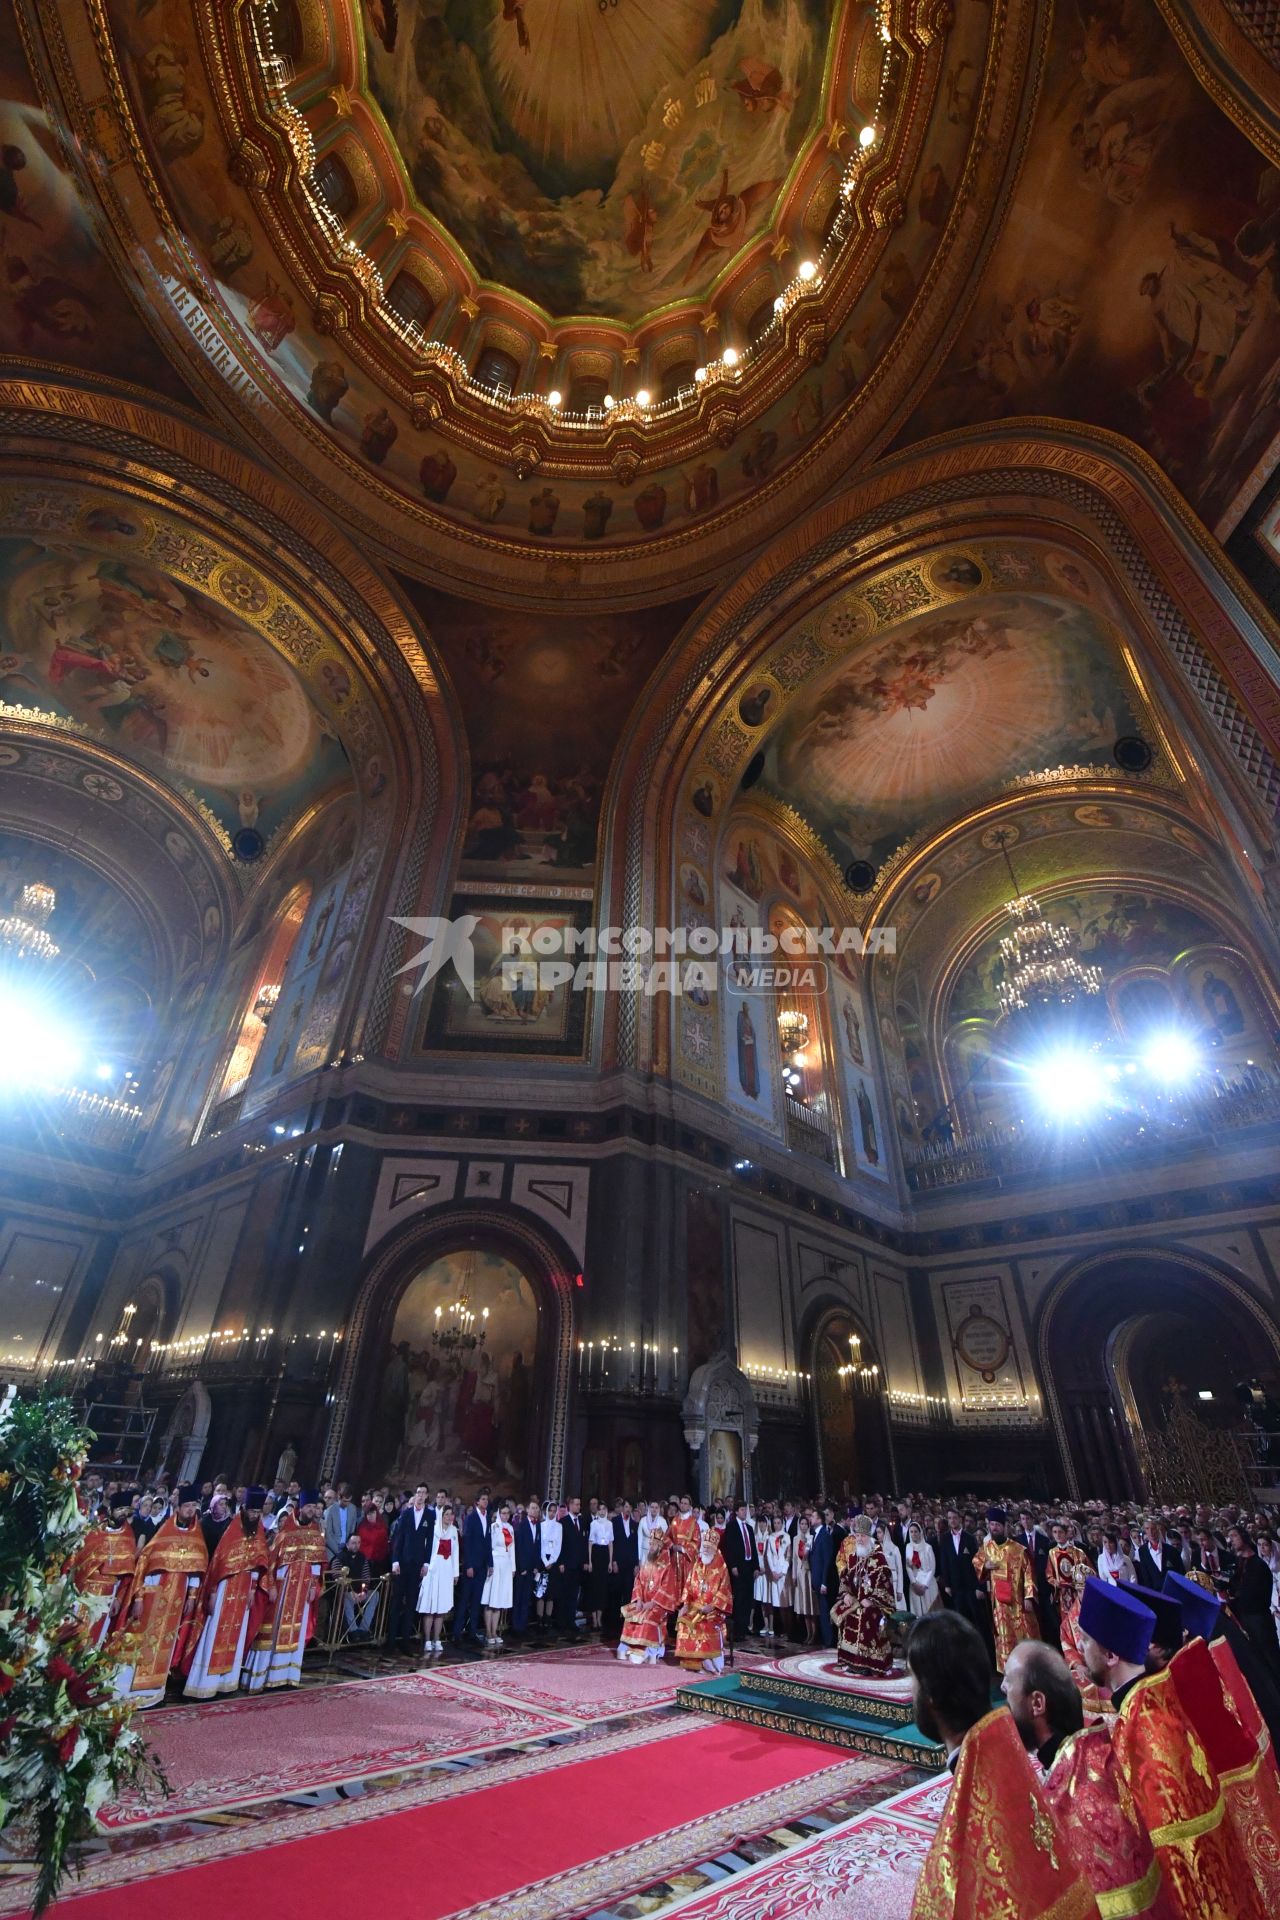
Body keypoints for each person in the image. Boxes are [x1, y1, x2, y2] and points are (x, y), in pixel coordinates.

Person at [1076, 1576, 1266, 1920]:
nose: (1078, 1645)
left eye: (1085, 1639)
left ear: (1111, 1654)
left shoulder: (1149, 1725)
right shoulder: (1146, 1703)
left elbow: (1185, 1854)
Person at [906, 1611, 1100, 1920]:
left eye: (912, 1680)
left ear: (930, 1697)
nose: (910, 1692)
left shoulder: (973, 1814)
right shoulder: (1010, 1766)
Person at [1004, 1640, 1171, 1919]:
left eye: (1008, 1682)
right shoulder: (1087, 1754)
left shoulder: (1079, 1796)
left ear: (1037, 1703)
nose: (1001, 1690)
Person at [108, 1486, 207, 1708]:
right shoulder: (164, 1532)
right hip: (155, 1598)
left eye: (194, 1506)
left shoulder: (196, 1535)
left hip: (177, 1599)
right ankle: (128, 1692)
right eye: (187, 1506)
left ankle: (154, 1691)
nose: (191, 1510)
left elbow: (197, 1568)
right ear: (178, 1508)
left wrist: (192, 1595)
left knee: (165, 1643)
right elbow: (146, 1565)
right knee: (141, 1642)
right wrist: (140, 1598)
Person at [183, 1488, 271, 1700]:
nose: (255, 1516)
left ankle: (226, 1682)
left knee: (236, 1635)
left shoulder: (258, 1532)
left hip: (243, 1592)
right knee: (214, 1633)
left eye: (258, 1513)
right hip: (224, 1589)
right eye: (252, 1512)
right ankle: (204, 1683)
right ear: (243, 1509)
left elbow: (259, 1564)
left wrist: (252, 1590)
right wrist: (212, 1592)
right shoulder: (231, 1532)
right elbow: (218, 1565)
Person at [242, 1499, 325, 1690]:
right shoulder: (286, 1532)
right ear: (301, 1508)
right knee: (273, 1630)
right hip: (283, 1589)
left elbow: (316, 1564)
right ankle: (265, 1675)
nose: (312, 1510)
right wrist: (271, 1587)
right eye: (309, 1506)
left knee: (296, 1630)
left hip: (302, 1591)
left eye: (314, 1507)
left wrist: (313, 1586)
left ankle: (288, 1676)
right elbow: (272, 1563)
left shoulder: (315, 1534)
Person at [973, 1506, 1038, 1674]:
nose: (994, 1527)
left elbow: (1029, 1573)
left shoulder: (1018, 1549)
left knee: (1024, 1634)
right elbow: (976, 1562)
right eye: (992, 1524)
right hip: (1000, 1604)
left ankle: (1029, 1670)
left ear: (1004, 1527)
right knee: (1004, 1637)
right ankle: (1008, 1673)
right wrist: (985, 1566)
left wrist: (1029, 1597)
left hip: (1019, 1602)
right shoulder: (987, 1548)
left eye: (997, 1525)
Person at [72, 1488, 138, 1649]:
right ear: (110, 1510)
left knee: (94, 1635)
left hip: (108, 1593)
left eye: (126, 1510)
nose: (123, 1513)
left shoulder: (128, 1537)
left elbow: (127, 1576)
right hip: (84, 1587)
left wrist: (118, 1599)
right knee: (73, 1630)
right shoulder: (94, 1530)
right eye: (120, 1509)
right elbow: (78, 1557)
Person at [831, 1516, 896, 1675]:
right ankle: (851, 1662)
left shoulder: (878, 1557)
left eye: (863, 1536)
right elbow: (845, 1578)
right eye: (857, 1535)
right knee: (844, 1613)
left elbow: (886, 1584)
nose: (859, 1539)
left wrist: (872, 1600)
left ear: (869, 1536)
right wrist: (845, 1594)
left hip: (873, 1604)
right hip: (854, 1601)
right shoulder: (853, 1556)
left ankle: (870, 1663)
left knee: (868, 1616)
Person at [675, 1529, 732, 1673]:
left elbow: (724, 1592)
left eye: (708, 1547)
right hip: (695, 1607)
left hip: (713, 1611)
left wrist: (711, 1607)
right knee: (684, 1621)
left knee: (702, 1624)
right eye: (704, 1546)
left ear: (714, 1548)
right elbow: (688, 1586)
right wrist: (686, 1604)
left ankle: (706, 1661)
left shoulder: (721, 1568)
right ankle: (692, 1662)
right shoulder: (697, 1564)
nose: (705, 1550)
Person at [618, 1533, 679, 1663]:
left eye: (653, 1544)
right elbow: (638, 1581)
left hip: (658, 1605)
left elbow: (667, 1589)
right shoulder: (647, 1562)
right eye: (650, 1544)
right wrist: (639, 1599)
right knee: (630, 1615)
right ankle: (629, 1648)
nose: (650, 1547)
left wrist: (652, 1603)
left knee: (647, 1619)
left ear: (660, 1546)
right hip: (643, 1602)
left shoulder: (667, 1566)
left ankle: (648, 1651)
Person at [389, 1484, 435, 1652]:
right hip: (402, 1563)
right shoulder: (406, 1513)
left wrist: (426, 1563)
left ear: (427, 1496)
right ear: (415, 1495)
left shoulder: (430, 1515)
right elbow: (398, 1538)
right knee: (396, 1602)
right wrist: (395, 1561)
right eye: (418, 1493)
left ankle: (405, 1641)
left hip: (417, 1564)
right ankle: (391, 1641)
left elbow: (430, 1541)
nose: (420, 1495)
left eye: (423, 1493)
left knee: (411, 1603)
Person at [1047, 1518, 1092, 1686]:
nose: (1058, 1535)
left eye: (1061, 1532)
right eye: (1055, 1532)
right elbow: (1049, 1575)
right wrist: (1078, 1664)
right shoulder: (1052, 1553)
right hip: (1064, 1597)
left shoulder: (1078, 1553)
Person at [418, 1502, 459, 1652]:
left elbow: (456, 1553)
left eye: (451, 1514)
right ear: (441, 1516)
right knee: (430, 1607)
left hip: (446, 1571)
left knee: (441, 1608)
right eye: (446, 1514)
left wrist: (455, 1574)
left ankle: (437, 1638)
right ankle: (427, 1639)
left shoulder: (454, 1531)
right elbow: (427, 1548)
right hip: (433, 1571)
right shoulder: (434, 1529)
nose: (449, 1517)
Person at [453, 1493, 492, 1645]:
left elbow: (488, 1542)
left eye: (487, 1499)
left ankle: (472, 1632)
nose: (486, 1501)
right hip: (471, 1566)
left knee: (477, 1601)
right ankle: (456, 1633)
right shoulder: (471, 1518)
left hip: (482, 1566)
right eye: (483, 1499)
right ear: (477, 1502)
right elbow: (467, 1542)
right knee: (464, 1601)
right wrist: (468, 1565)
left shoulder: (487, 1518)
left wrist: (490, 1563)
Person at [720, 1499, 760, 1643]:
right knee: (739, 1598)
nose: (744, 1512)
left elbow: (753, 1548)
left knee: (748, 1599)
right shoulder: (731, 1527)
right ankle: (735, 1631)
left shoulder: (749, 1528)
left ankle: (743, 1629)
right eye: (742, 1510)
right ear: (736, 1511)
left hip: (749, 1566)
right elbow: (730, 1548)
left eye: (745, 1510)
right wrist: (733, 1565)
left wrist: (756, 1566)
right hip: (738, 1566)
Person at [936, 1507, 979, 1625]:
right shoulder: (944, 1538)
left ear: (960, 1519)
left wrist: (977, 1586)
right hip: (955, 1586)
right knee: (960, 1617)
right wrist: (947, 1585)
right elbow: (944, 1562)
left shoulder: (969, 1538)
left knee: (975, 1616)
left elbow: (977, 1562)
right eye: (950, 1518)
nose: (952, 1520)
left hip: (970, 1585)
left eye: (955, 1518)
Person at [482, 1499, 516, 1647]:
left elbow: (512, 1549)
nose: (506, 1516)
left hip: (506, 1565)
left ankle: (495, 1631)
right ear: (498, 1513)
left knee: (499, 1601)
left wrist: (513, 1567)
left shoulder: (510, 1528)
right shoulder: (493, 1527)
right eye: (503, 1513)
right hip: (495, 1563)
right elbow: (489, 1548)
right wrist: (490, 1564)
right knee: (491, 1599)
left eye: (508, 1513)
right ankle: (488, 1632)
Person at [554, 1497, 586, 1636]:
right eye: (577, 1504)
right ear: (571, 1505)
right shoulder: (563, 1522)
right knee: (563, 1594)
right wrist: (561, 1562)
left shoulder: (582, 1521)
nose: (579, 1506)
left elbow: (584, 1543)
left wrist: (584, 1561)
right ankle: (561, 1622)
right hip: (566, 1564)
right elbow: (559, 1544)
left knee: (574, 1595)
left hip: (578, 1565)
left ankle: (571, 1621)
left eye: (580, 1504)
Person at [668, 1495, 701, 1602]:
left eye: (685, 1503)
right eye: (681, 1503)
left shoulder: (693, 1523)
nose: (682, 1505)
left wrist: (683, 1549)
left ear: (689, 1506)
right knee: (674, 1585)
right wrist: (672, 1546)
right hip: (674, 1559)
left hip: (687, 1560)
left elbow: (697, 1542)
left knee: (686, 1584)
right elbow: (666, 1537)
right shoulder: (674, 1520)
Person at [587, 1502, 613, 1630]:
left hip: (605, 1555)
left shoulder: (610, 1524)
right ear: (597, 1511)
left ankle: (600, 1618)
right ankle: (594, 1619)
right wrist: (590, 1561)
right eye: (600, 1509)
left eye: (604, 1509)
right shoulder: (593, 1524)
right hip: (596, 1554)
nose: (602, 1511)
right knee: (594, 1587)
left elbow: (610, 1544)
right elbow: (590, 1543)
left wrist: (610, 1561)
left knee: (602, 1588)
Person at [905, 1520, 939, 1618]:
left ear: (920, 1532)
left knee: (930, 1611)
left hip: (927, 1584)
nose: (913, 1534)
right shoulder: (908, 1547)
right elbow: (908, 1567)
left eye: (916, 1531)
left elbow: (932, 1568)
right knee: (917, 1612)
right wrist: (914, 1583)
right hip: (915, 1583)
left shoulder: (928, 1548)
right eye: (911, 1532)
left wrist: (924, 1585)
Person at [322, 1484, 360, 1568]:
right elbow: (328, 1535)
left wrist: (348, 1547)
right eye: (345, 1501)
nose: (347, 1504)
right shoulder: (329, 1511)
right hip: (332, 1549)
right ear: (339, 1497)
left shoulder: (353, 1508)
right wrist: (338, 1551)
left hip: (347, 1547)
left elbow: (352, 1530)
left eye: (349, 1501)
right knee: (338, 1568)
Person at [791, 1515, 815, 1642]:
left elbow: (809, 1557)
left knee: (810, 1605)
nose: (803, 1526)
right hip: (800, 1575)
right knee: (803, 1606)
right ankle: (807, 1634)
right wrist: (794, 1575)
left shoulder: (812, 1538)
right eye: (802, 1524)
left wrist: (806, 1544)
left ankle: (814, 1634)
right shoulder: (795, 1539)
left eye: (806, 1524)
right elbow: (794, 1559)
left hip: (809, 1574)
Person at [877, 1519, 906, 1613]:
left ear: (885, 1533)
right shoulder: (876, 1549)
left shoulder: (894, 1549)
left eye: (880, 1532)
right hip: (881, 1585)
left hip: (894, 1583)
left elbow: (900, 1570)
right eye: (877, 1532)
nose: (878, 1535)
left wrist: (899, 1590)